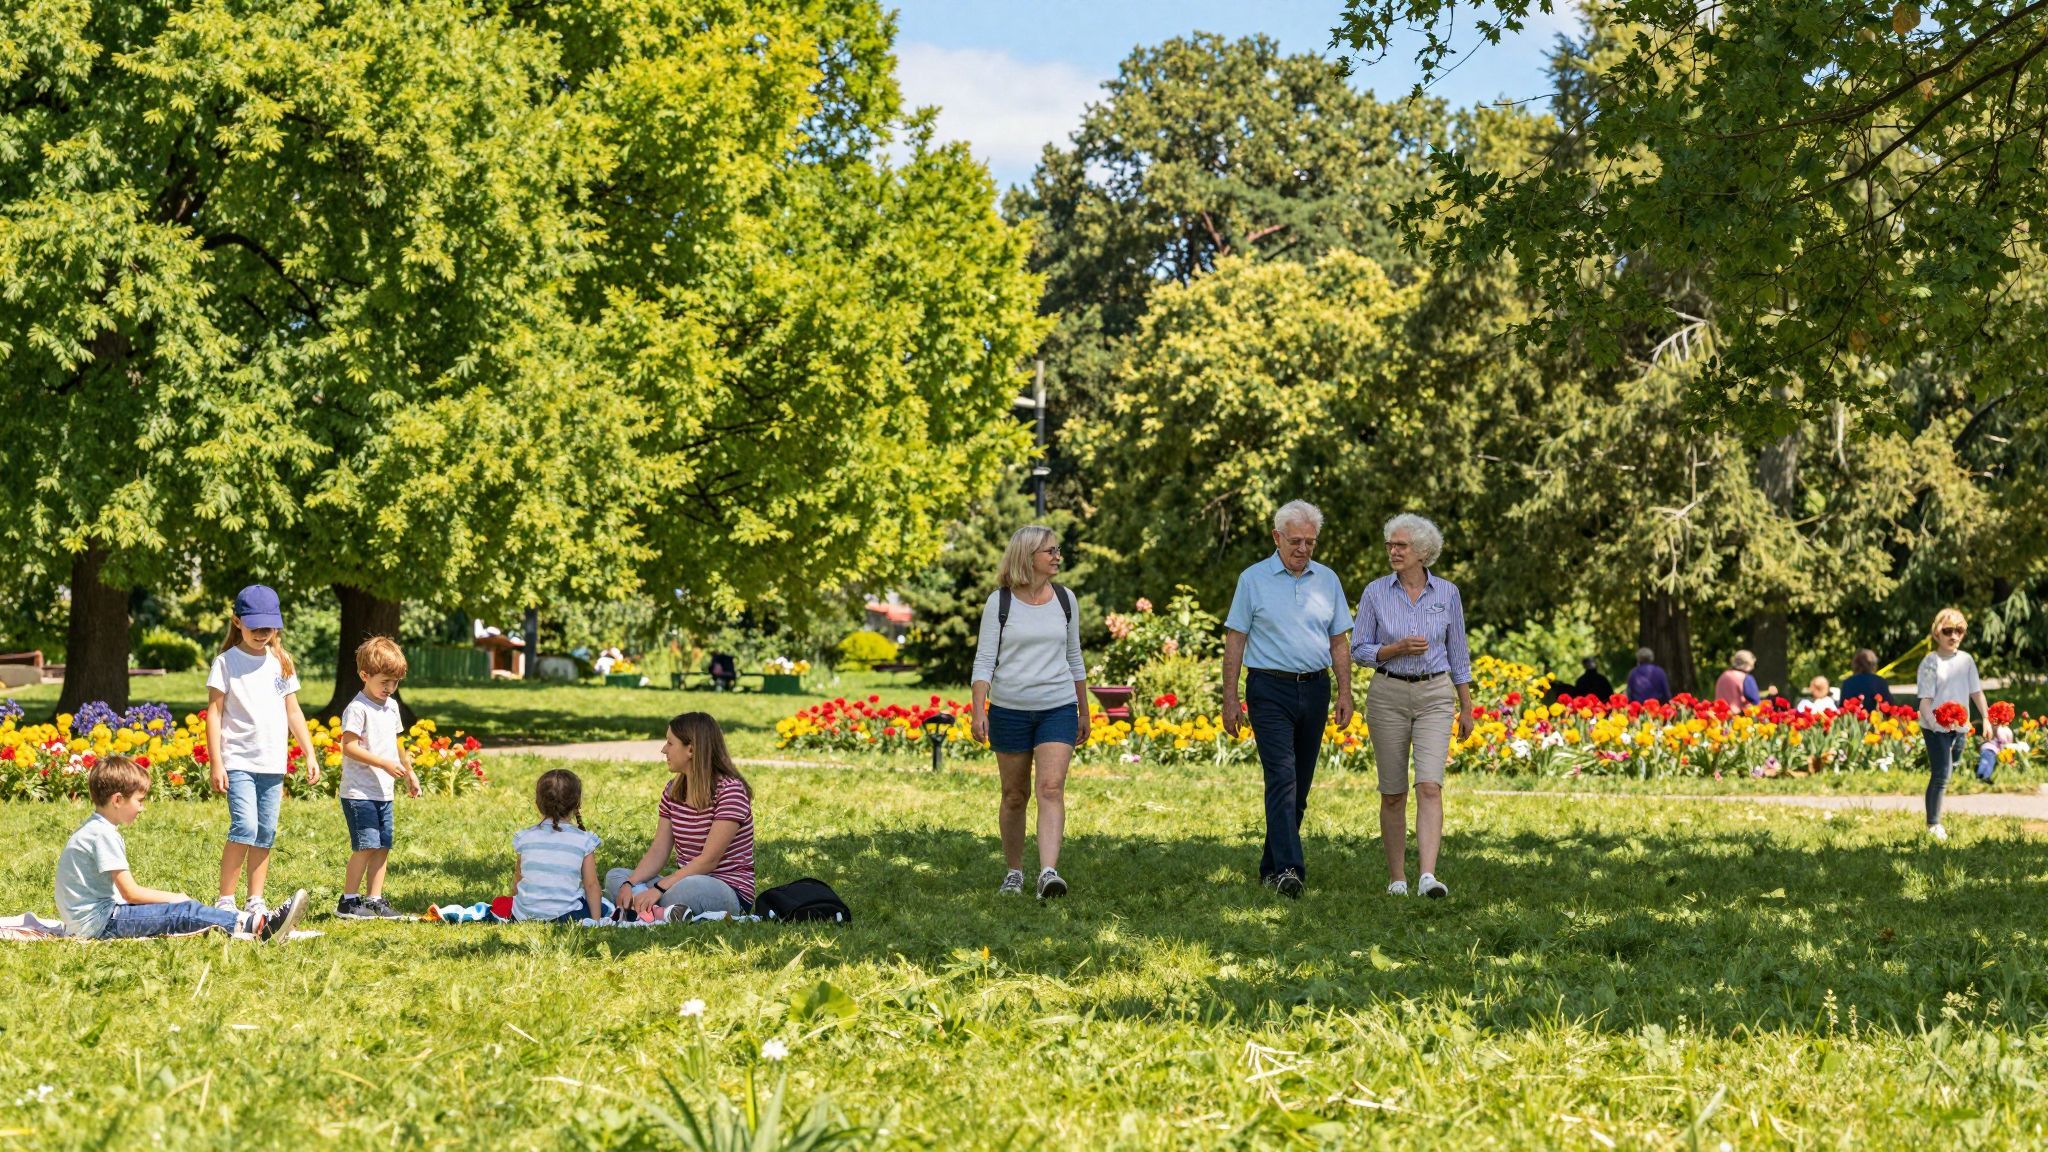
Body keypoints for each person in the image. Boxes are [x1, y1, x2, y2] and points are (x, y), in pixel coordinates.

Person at [1221, 500, 1354, 898]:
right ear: (1276, 537)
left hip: (1315, 688)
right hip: (1269, 689)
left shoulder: (1327, 579)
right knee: (1282, 777)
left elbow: (1339, 641)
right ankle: (1289, 870)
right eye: (1295, 541)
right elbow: (1236, 640)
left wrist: (1345, 691)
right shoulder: (1252, 579)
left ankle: (1270, 866)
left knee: (1300, 787)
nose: (1303, 549)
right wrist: (1230, 698)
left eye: (1310, 542)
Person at [1352, 513, 1475, 900]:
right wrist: (1396, 649)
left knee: (1430, 785)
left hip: (1435, 695)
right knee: (1392, 792)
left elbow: (1459, 653)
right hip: (1387, 695)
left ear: (1422, 552)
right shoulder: (1375, 592)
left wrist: (1467, 706)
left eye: (1401, 545)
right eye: (1390, 545)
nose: (1393, 551)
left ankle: (1427, 877)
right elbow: (1359, 649)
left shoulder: (1448, 593)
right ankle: (1397, 879)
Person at [58, 755, 307, 942]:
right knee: (183, 912)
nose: (142, 808)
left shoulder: (95, 828)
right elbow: (131, 893)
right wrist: (176, 898)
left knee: (176, 910)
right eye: (139, 801)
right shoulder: (103, 835)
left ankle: (248, 921)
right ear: (117, 800)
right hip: (101, 924)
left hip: (90, 921)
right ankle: (261, 926)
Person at [970, 525, 1088, 899]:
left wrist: (1083, 710)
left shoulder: (1066, 599)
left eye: (1057, 550)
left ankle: (1048, 873)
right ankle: (1015, 872)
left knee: (1050, 788)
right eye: (1050, 551)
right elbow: (984, 660)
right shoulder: (999, 602)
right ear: (1028, 556)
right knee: (1014, 795)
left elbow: (1074, 657)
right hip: (1010, 710)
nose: (1057, 556)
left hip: (1058, 707)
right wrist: (978, 710)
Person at [207, 585, 320, 921]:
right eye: (254, 626)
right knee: (244, 827)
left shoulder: (281, 662)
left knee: (265, 832)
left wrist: (309, 753)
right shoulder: (226, 663)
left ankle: (255, 899)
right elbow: (214, 713)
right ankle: (226, 900)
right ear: (237, 622)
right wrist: (216, 762)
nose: (261, 633)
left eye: (268, 627)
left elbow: (293, 711)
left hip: (272, 763)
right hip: (238, 760)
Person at [608, 712, 756, 919]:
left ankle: (642, 907)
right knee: (616, 876)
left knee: (690, 888)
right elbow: (658, 851)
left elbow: (708, 861)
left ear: (691, 750)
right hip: (680, 883)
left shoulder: (730, 791)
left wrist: (658, 888)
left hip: (723, 889)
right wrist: (630, 883)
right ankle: (660, 911)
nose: (664, 750)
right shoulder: (673, 790)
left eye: (670, 743)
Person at [335, 636, 421, 919]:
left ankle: (374, 899)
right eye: (385, 681)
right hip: (359, 792)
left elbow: (397, 743)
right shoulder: (357, 709)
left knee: (383, 845)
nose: (390, 688)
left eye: (395, 682)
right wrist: (383, 764)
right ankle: (348, 901)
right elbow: (349, 747)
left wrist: (409, 772)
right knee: (366, 845)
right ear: (365, 675)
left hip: (384, 791)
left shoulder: (391, 706)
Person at [1918, 608, 1990, 842]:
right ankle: (1933, 824)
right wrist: (1934, 725)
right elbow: (1925, 702)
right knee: (1941, 775)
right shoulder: (1930, 662)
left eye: (1959, 630)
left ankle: (1935, 817)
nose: (1954, 635)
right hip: (1935, 726)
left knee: (1951, 766)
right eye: (1948, 630)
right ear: (1937, 633)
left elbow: (1976, 692)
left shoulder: (1966, 660)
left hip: (1960, 726)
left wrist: (1986, 718)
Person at [513, 769, 604, 922]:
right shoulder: (584, 840)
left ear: (538, 803)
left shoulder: (525, 838)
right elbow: (591, 885)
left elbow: (518, 880)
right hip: (567, 915)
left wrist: (516, 910)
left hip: (525, 915)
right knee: (605, 906)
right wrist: (596, 921)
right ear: (577, 803)